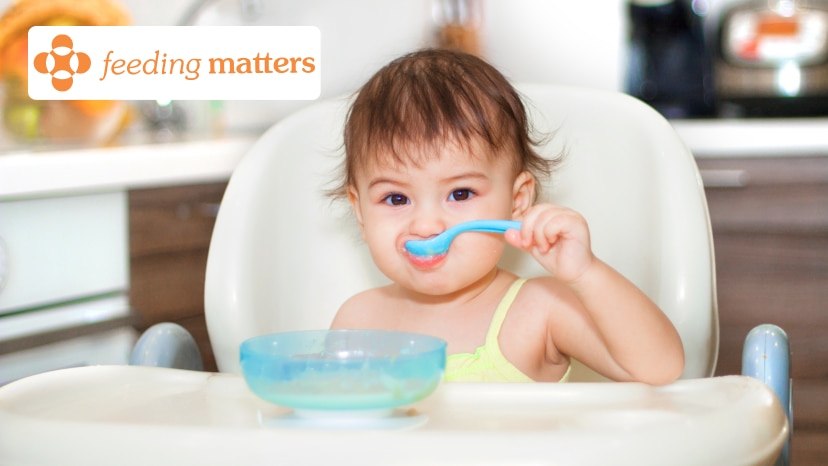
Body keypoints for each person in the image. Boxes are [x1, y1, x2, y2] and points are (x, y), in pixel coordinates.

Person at [329, 48, 684, 384]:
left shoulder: (540, 311)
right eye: (395, 198)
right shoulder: (357, 322)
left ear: (517, 202)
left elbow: (661, 369)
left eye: (460, 194)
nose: (425, 226)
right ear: (359, 212)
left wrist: (586, 273)